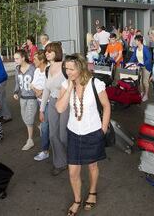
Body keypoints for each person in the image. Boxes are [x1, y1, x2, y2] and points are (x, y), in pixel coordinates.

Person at [55, 53, 110, 216]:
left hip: (93, 131)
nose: (68, 72)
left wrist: (104, 128)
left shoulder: (96, 84)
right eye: (66, 69)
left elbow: (106, 106)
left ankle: (92, 192)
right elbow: (59, 108)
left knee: (92, 166)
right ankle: (77, 199)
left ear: (81, 67)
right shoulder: (66, 85)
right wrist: (71, 86)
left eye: (71, 69)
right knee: (73, 171)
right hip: (73, 132)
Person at [40, 42, 69, 176]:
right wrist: (41, 109)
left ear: (57, 52)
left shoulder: (65, 66)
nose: (47, 53)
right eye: (46, 51)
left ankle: (71, 158)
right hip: (52, 102)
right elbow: (46, 89)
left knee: (63, 136)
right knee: (53, 135)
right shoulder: (47, 69)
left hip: (66, 103)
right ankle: (60, 163)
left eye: (50, 51)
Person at [13, 50, 37, 151]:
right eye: (14, 59)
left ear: (23, 58)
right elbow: (17, 83)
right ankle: (40, 126)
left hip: (32, 98)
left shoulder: (33, 68)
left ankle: (30, 140)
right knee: (25, 118)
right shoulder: (17, 69)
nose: (15, 60)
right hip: (22, 98)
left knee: (29, 119)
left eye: (17, 58)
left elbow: (39, 81)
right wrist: (15, 92)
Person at [31, 51, 50, 161]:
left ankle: (45, 151)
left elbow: (49, 87)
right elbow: (32, 84)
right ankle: (46, 148)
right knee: (45, 126)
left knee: (44, 126)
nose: (33, 61)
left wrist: (41, 91)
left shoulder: (49, 70)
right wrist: (38, 91)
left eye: (35, 59)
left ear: (42, 60)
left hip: (48, 102)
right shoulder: (37, 70)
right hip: (40, 101)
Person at [128, 35, 153, 102]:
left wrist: (144, 64)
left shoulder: (145, 48)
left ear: (139, 41)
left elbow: (149, 59)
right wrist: (128, 63)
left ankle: (146, 95)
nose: (134, 41)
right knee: (140, 81)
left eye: (135, 40)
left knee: (145, 81)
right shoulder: (136, 48)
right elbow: (133, 57)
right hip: (140, 66)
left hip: (146, 67)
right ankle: (142, 92)